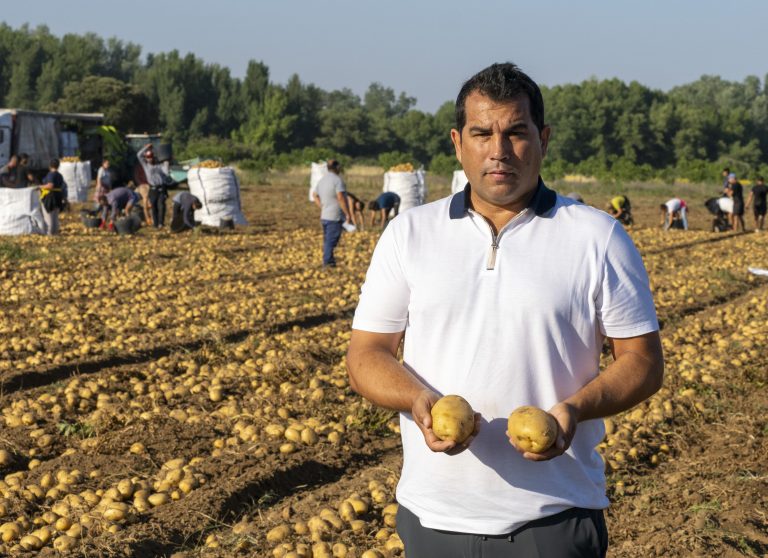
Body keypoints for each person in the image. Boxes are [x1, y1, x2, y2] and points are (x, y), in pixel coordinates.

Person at [346, 63, 663, 558]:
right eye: (481, 133)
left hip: (552, 520)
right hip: (433, 520)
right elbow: (366, 354)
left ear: (544, 138)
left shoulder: (597, 237)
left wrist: (574, 411)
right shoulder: (410, 234)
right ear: (457, 141)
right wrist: (416, 400)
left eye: (516, 132)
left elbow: (643, 362)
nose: (499, 150)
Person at [313, 159, 352, 267]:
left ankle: (329, 259)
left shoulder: (322, 180)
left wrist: (322, 206)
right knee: (331, 240)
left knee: (327, 240)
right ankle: (328, 262)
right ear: (337, 168)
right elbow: (340, 197)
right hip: (334, 216)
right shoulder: (337, 180)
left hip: (324, 215)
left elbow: (314, 195)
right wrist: (347, 213)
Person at [137, 143, 170, 228]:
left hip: (161, 188)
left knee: (161, 205)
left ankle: (161, 223)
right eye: (148, 157)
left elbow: (166, 173)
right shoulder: (146, 165)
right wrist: (146, 147)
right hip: (152, 188)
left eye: (151, 157)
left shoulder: (160, 165)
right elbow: (139, 155)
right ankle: (155, 224)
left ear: (153, 157)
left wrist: (166, 163)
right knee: (154, 206)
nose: (150, 159)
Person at [39, 159, 66, 235]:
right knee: (55, 217)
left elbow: (50, 185)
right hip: (57, 196)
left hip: (50, 197)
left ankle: (49, 234)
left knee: (49, 217)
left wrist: (40, 187)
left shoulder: (51, 174)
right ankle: (55, 233)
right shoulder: (60, 175)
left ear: (50, 166)